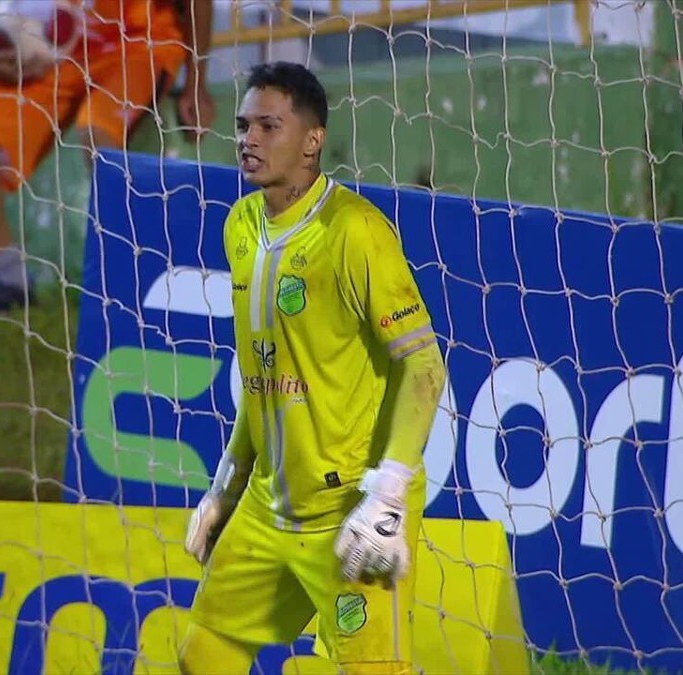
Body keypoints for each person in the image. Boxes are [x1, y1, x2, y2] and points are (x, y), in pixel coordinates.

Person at [179, 61, 448, 675]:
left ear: (312, 140)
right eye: (244, 125)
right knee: (204, 652)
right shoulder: (240, 228)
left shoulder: (355, 232)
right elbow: (261, 373)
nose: (248, 139)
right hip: (269, 504)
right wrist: (226, 485)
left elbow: (426, 368)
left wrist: (388, 496)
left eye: (269, 126)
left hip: (350, 511)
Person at [0, 0, 215, 323]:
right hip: (55, 49)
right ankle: (8, 279)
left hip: (141, 45)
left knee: (99, 134)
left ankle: (137, 288)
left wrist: (196, 83)